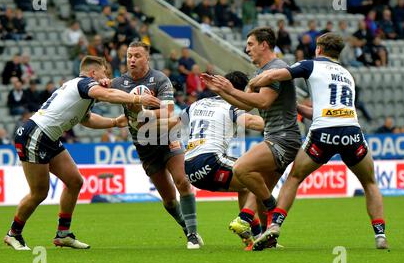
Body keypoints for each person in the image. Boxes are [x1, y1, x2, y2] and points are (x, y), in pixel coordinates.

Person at [4, 55, 160, 250]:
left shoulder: (80, 89)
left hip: (47, 137)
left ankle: (63, 234)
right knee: (39, 192)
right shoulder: (84, 83)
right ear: (93, 73)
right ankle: (14, 234)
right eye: (104, 73)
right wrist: (138, 98)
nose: (106, 78)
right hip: (35, 135)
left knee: (74, 181)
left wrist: (114, 122)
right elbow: (108, 95)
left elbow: (86, 119)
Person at [250, 32, 388, 250]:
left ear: (319, 49)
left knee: (294, 178)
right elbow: (329, 110)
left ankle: (275, 226)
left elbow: (275, 76)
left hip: (323, 133)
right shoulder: (347, 74)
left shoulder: (310, 65)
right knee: (370, 182)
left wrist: (255, 81)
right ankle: (380, 235)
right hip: (351, 131)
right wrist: (295, 108)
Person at [202, 27, 301, 248]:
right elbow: (246, 104)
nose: (247, 49)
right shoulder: (263, 72)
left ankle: (270, 208)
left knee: (241, 168)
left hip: (283, 138)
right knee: (259, 188)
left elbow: (263, 102)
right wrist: (222, 91)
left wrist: (230, 88)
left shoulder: (275, 69)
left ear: (264, 44)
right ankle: (269, 240)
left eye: (250, 44)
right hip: (279, 137)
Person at [111, 42, 204, 249]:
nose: (132, 60)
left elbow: (168, 111)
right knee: (169, 200)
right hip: (144, 146)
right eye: (129, 56)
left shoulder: (160, 79)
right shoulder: (118, 83)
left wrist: (145, 114)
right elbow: (99, 92)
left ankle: (193, 233)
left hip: (167, 137)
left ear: (147, 59)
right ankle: (184, 225)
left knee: (182, 181)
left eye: (137, 56)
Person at [183, 71, 265, 249]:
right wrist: (278, 123)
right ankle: (250, 226)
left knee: (245, 186)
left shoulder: (196, 105)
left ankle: (254, 235)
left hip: (189, 169)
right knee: (259, 177)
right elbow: (250, 121)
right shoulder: (230, 107)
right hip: (210, 161)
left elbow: (172, 122)